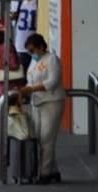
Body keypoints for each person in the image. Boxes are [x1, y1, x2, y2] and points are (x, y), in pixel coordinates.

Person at [20, 33, 66, 184]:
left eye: (33, 50)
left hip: (52, 101)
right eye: (29, 51)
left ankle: (45, 173)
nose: (31, 54)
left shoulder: (52, 59)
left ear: (41, 46)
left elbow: (52, 81)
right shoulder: (34, 61)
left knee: (47, 138)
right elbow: (30, 80)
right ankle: (54, 171)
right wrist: (24, 90)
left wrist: (31, 89)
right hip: (36, 102)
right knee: (39, 138)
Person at [9, 0, 38, 71]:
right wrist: (13, 16)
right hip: (21, 44)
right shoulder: (19, 1)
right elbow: (11, 17)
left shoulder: (38, 2)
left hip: (35, 45)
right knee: (23, 74)